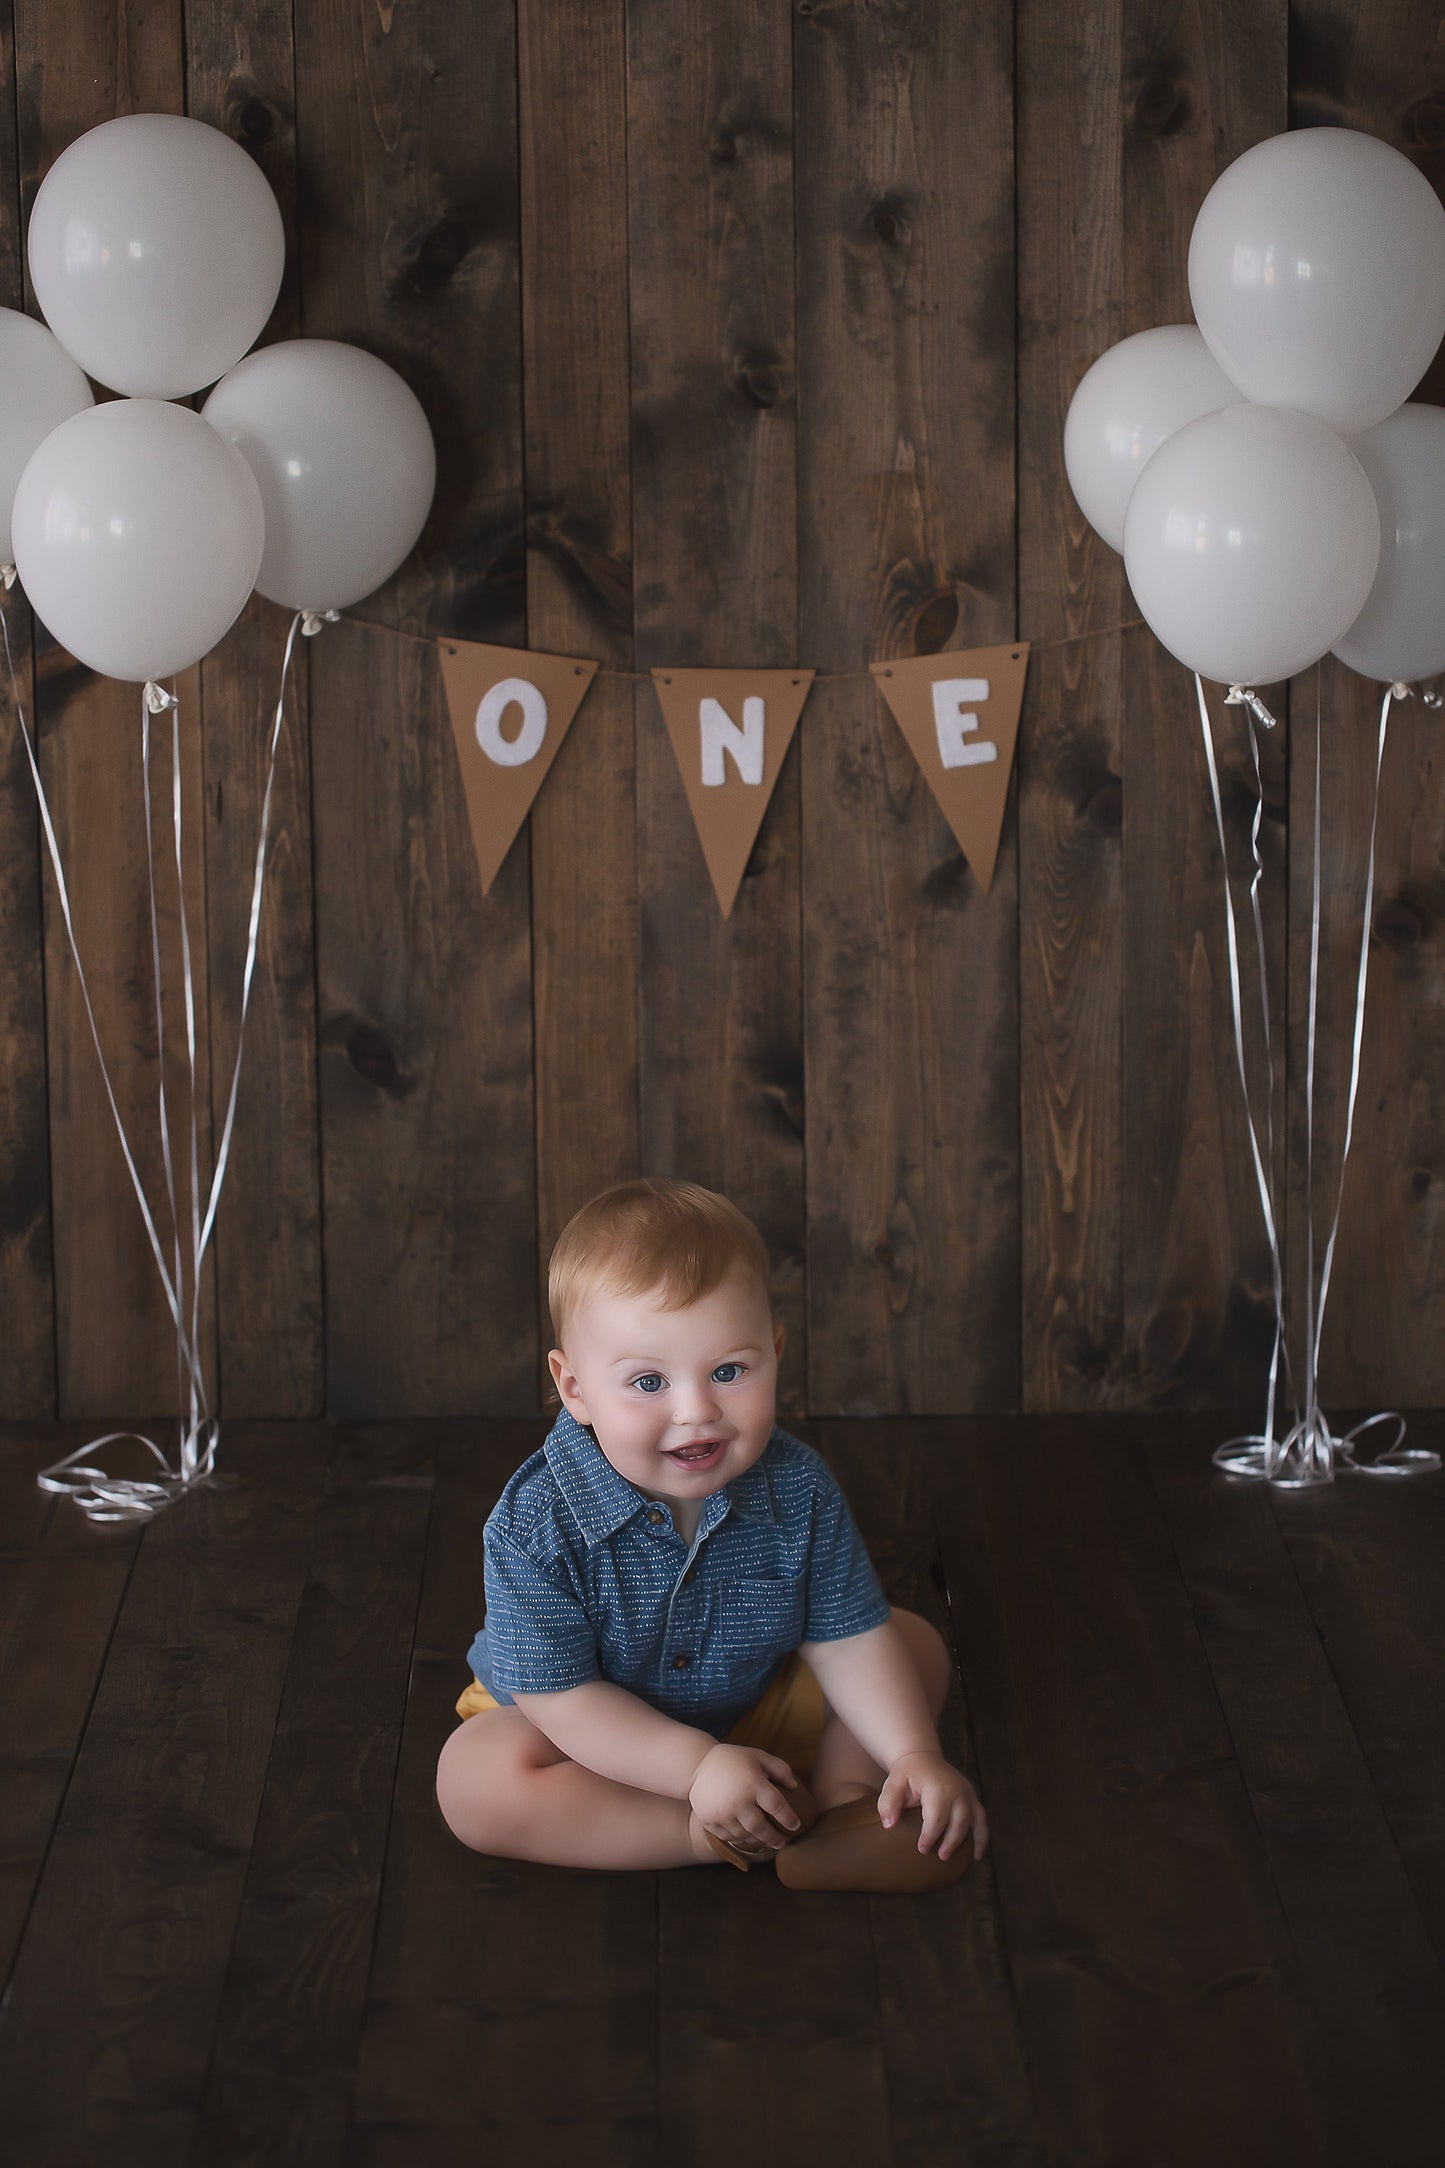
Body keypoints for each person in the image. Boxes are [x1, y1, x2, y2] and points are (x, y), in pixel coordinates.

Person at [435, 1177, 989, 1890]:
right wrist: (696, 1768)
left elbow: (844, 1638)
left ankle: (846, 1806)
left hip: (750, 1703)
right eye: (648, 1383)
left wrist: (912, 1754)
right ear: (574, 1389)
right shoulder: (534, 1522)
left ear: (774, 1352)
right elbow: (562, 1698)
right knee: (474, 1777)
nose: (696, 1411)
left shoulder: (798, 1487)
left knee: (908, 1645)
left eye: (728, 1370)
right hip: (588, 1735)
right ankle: (707, 1834)